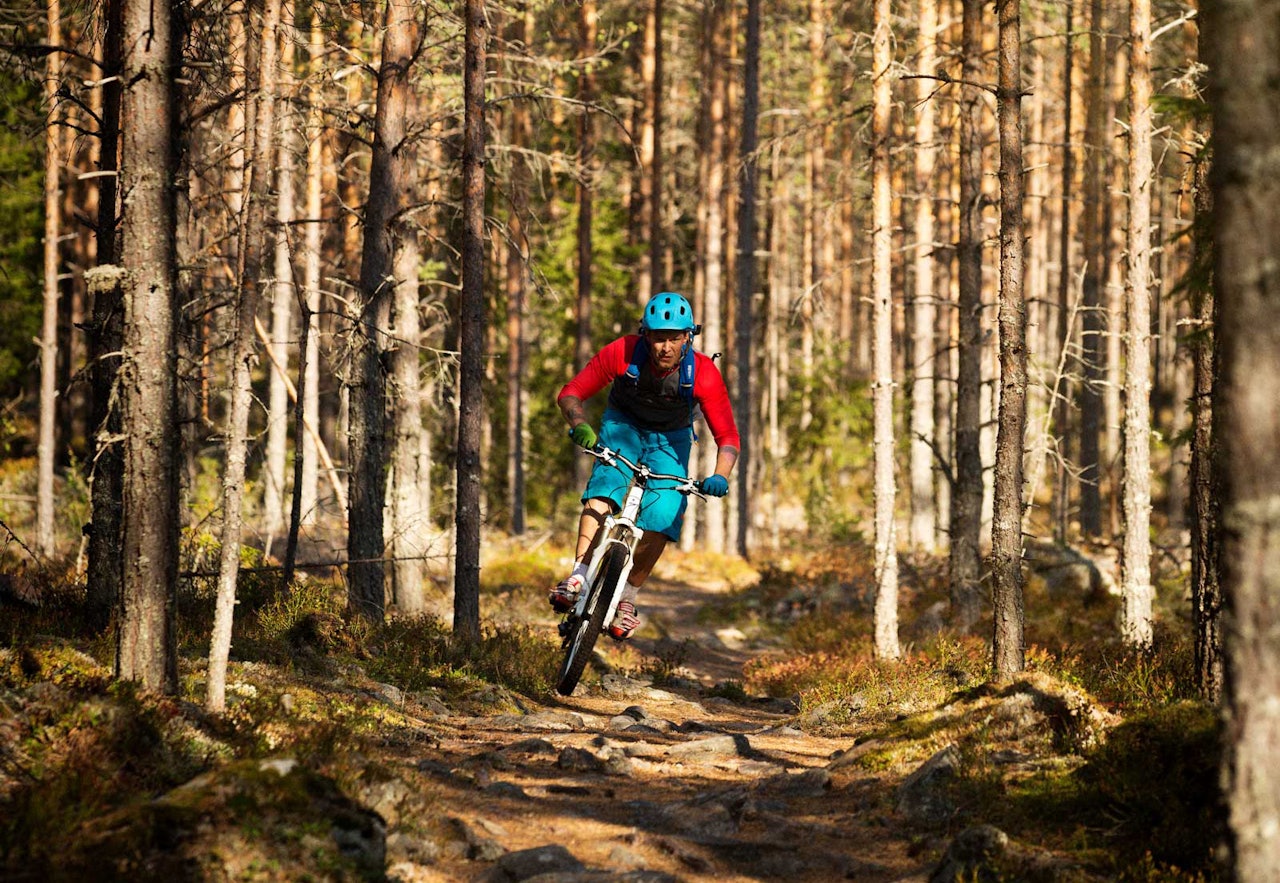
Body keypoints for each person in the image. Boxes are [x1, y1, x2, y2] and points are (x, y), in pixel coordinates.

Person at [551, 292, 740, 640]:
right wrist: (580, 423)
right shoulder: (622, 351)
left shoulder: (703, 374)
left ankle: (627, 597)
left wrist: (719, 476)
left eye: (674, 338)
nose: (665, 347)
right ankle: (578, 575)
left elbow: (727, 438)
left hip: (671, 439)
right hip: (624, 425)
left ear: (689, 337)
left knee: (664, 514)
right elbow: (571, 392)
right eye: (657, 337)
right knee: (605, 487)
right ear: (644, 335)